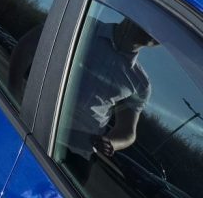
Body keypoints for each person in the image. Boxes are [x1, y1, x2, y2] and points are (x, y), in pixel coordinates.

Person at [62, 17, 157, 183]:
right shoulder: (83, 24)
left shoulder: (141, 83)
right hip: (39, 122)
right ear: (135, 10)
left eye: (165, 33)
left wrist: (111, 142)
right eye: (157, 21)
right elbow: (30, 45)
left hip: (78, 152)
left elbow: (128, 131)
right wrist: (14, 89)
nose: (158, 33)